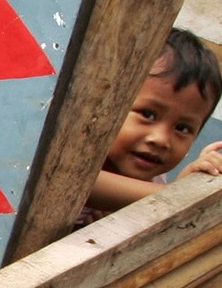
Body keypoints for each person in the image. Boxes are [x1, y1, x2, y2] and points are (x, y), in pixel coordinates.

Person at [80, 28, 222, 223]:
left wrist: (185, 186)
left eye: (182, 128)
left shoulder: (155, 177)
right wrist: (176, 195)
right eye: (148, 114)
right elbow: (78, 184)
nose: (161, 139)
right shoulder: (73, 157)